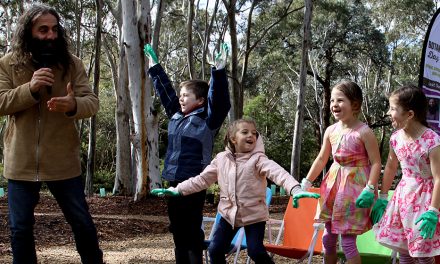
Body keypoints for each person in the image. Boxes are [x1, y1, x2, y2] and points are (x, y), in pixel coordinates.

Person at [0, 4, 104, 264]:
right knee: (20, 229)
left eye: (55, 30)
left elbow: (91, 102)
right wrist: (30, 89)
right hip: (21, 164)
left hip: (63, 162)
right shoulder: (7, 64)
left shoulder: (72, 64)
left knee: (82, 223)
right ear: (28, 32)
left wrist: (73, 105)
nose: (50, 36)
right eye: (43, 30)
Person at [151, 118, 320, 264]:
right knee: (215, 250)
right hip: (227, 214)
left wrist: (295, 189)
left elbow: (279, 174)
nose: (251, 136)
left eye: (254, 133)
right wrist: (178, 189)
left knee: (255, 251)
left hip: (254, 215)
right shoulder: (221, 159)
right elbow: (202, 180)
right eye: (245, 132)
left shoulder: (258, 159)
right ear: (233, 138)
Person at [145, 44, 231, 264]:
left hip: (194, 180)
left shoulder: (208, 120)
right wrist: (154, 67)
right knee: (177, 229)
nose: (181, 99)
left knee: (192, 229)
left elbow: (220, 101)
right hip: (173, 179)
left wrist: (218, 71)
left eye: (186, 96)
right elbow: (166, 93)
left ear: (200, 101)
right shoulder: (176, 114)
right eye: (181, 96)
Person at [300, 81, 382, 264]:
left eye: (340, 100)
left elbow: (376, 162)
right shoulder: (330, 130)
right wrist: (306, 182)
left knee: (347, 242)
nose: (334, 104)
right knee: (328, 238)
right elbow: (322, 159)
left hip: (354, 190)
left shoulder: (364, 132)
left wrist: (370, 188)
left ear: (355, 105)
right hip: (333, 187)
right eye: (332, 100)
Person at [371, 85, 440, 264]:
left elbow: (439, 177)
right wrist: (383, 196)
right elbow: (392, 166)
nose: (388, 112)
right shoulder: (395, 138)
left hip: (425, 200)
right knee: (405, 251)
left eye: (393, 109)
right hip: (403, 199)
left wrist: (433, 211)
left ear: (409, 114)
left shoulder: (432, 140)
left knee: (423, 253)